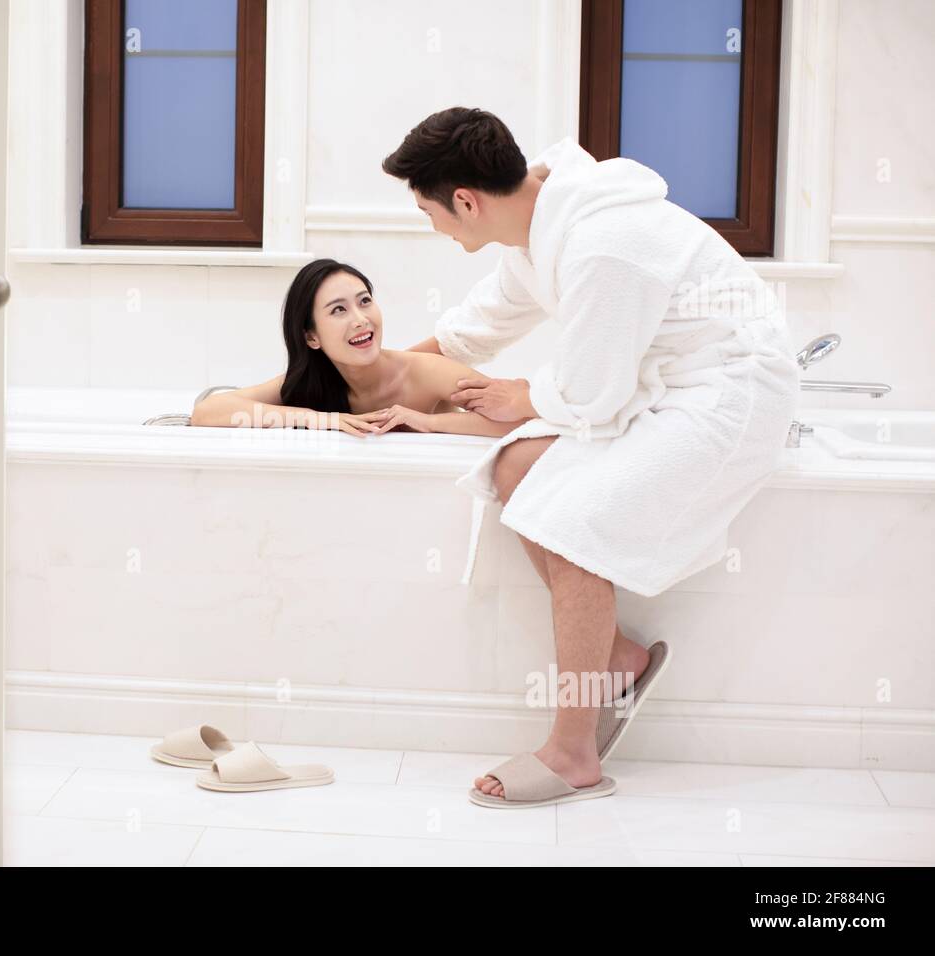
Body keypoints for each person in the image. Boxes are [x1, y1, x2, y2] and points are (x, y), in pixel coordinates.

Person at [382, 107, 800, 808]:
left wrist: (522, 394)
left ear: (465, 201)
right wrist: (363, 382)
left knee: (572, 528)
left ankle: (574, 753)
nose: (433, 227)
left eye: (429, 212)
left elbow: (592, 394)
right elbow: (471, 331)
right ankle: (620, 659)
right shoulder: (536, 229)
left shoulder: (605, 242)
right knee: (515, 468)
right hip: (658, 389)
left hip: (730, 396)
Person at [191, 257, 532, 441]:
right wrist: (323, 421)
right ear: (312, 338)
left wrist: (429, 422)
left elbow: (519, 422)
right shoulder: (314, 383)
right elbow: (207, 413)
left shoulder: (424, 371)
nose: (360, 319)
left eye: (364, 302)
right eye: (338, 310)